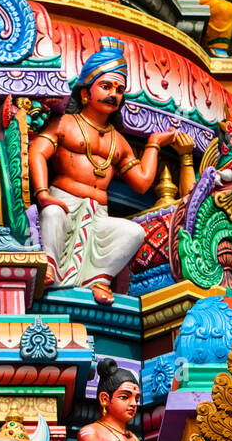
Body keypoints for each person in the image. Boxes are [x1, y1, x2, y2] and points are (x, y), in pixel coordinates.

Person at [29, 38, 187, 304]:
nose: (113, 94)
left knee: (133, 233)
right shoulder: (66, 123)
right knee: (53, 214)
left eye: (119, 89)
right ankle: (50, 267)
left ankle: (98, 279)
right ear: (84, 93)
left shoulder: (118, 141)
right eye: (106, 86)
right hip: (63, 202)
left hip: (98, 213)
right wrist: (43, 193)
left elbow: (141, 183)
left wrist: (153, 145)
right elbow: (37, 152)